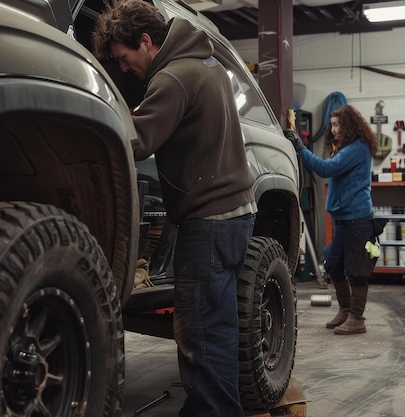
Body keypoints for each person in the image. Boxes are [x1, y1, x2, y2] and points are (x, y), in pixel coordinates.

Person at [92, 1, 257, 416]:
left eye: (124, 58)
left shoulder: (173, 77)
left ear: (145, 41)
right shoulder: (205, 62)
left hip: (209, 222)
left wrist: (91, 122)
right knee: (218, 328)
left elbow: (138, 142)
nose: (124, 68)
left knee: (199, 334)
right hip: (236, 215)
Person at [286, 104, 379, 335]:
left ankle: (357, 318)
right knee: (334, 264)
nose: (333, 129)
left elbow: (325, 169)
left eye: (337, 124)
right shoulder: (345, 148)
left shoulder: (357, 149)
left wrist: (300, 147)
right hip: (344, 219)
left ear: (349, 126)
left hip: (358, 218)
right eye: (332, 124)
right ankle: (346, 310)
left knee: (357, 270)